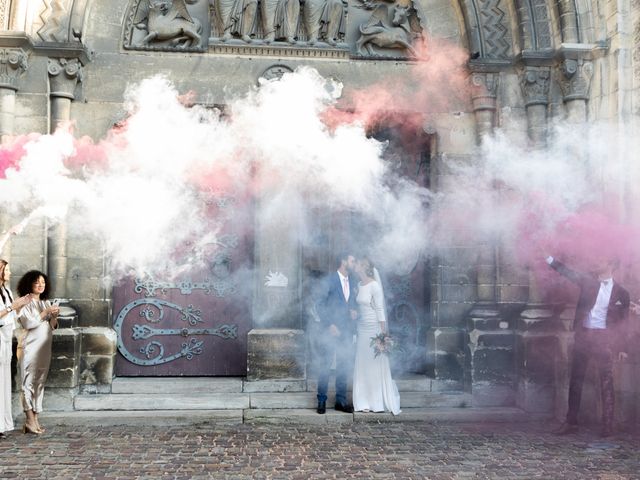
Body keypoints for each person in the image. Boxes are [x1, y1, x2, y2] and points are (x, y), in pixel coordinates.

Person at [546, 255, 630, 437]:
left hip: (604, 340)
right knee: (575, 380)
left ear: (611, 263)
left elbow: (624, 322)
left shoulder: (622, 293)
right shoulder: (587, 282)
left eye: (601, 259)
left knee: (606, 382)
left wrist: (623, 348)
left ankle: (608, 426)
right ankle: (571, 422)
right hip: (584, 336)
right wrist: (548, 258)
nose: (596, 261)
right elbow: (567, 272)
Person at [352, 256, 401, 415]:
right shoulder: (359, 285)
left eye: (357, 264)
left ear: (363, 267)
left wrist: (383, 335)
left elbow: (380, 310)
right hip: (362, 328)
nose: (354, 266)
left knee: (374, 365)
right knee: (363, 363)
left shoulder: (374, 286)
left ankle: (376, 402)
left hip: (374, 328)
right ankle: (363, 401)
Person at [15, 270, 59, 434]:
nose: (40, 285)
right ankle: (29, 419)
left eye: (43, 282)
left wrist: (54, 316)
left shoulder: (45, 303)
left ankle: (35, 417)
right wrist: (45, 313)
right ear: (29, 284)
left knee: (39, 382)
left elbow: (52, 327)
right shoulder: (23, 303)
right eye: (36, 282)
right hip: (29, 348)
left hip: (44, 348)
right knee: (28, 382)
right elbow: (29, 324)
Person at [315, 252, 357, 414]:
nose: (354, 264)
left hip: (346, 330)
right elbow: (319, 305)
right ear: (344, 261)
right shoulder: (329, 280)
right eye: (353, 261)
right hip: (329, 330)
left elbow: (352, 304)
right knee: (325, 365)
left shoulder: (353, 282)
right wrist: (329, 325)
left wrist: (354, 312)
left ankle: (340, 400)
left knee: (343, 365)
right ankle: (321, 401)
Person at [0, 260, 31, 439]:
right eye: (7, 270)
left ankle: (2, 424)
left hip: (5, 341)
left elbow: (12, 315)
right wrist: (13, 306)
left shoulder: (7, 291)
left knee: (4, 382)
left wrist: (22, 305)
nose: (10, 273)